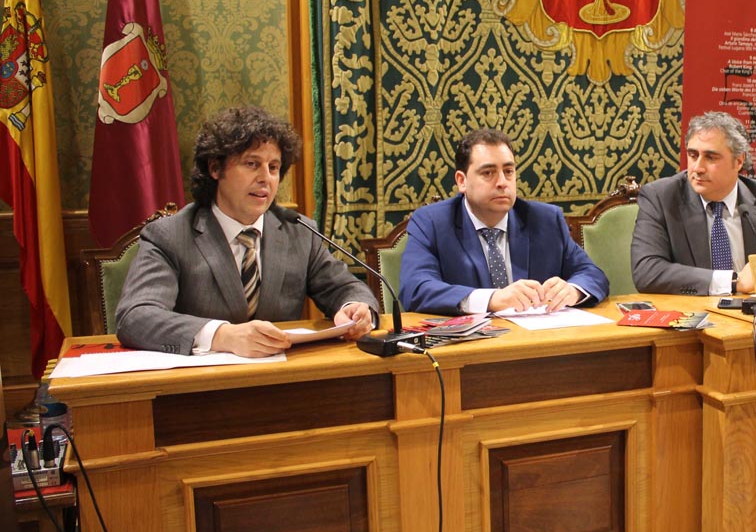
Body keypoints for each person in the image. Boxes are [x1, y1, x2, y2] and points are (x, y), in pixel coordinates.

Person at [115, 106, 378, 357]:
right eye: (252, 164)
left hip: (285, 381)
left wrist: (355, 309)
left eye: (273, 168)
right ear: (215, 168)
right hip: (201, 389)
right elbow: (137, 316)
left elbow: (345, 288)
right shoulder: (170, 236)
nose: (266, 178)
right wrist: (223, 335)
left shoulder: (298, 231)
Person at [399, 128, 609, 315]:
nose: (502, 183)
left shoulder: (545, 220)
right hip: (471, 350)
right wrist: (491, 299)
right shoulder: (432, 223)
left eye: (508, 172)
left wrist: (573, 290)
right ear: (462, 181)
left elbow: (592, 275)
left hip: (537, 343)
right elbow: (415, 288)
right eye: (488, 173)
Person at [631, 111, 756, 295]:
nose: (697, 168)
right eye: (693, 155)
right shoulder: (661, 197)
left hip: (754, 319)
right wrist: (734, 282)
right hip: (693, 319)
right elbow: (647, 271)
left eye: (710, 157)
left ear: (738, 161)